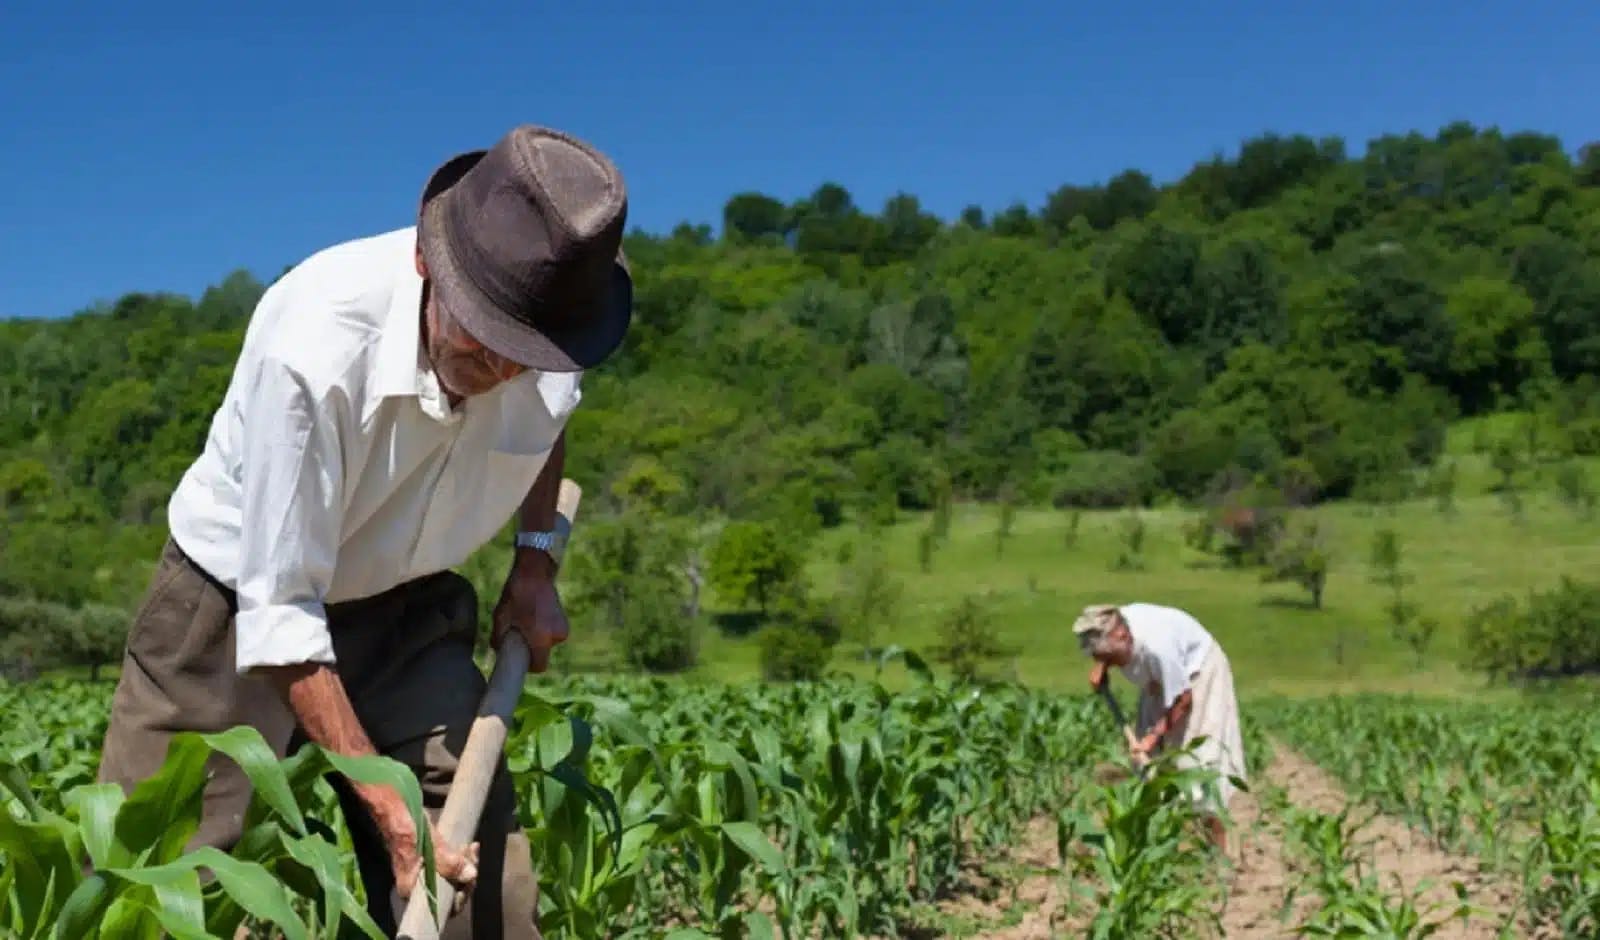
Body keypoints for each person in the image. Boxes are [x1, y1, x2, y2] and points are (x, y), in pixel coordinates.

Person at [95, 124, 634, 939]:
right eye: (483, 338)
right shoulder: (314, 350)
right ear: (427, 262)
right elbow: (280, 620)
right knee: (162, 891)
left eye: (523, 353)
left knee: (483, 895)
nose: (502, 371)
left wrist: (533, 566)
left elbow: (548, 419)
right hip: (238, 602)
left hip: (405, 599)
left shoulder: (553, 325)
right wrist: (390, 813)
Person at [1073, 602, 1246, 850]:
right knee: (1146, 766)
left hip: (1198, 675)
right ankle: (1156, 848)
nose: (1101, 659)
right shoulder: (1114, 624)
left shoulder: (1158, 648)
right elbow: (1106, 645)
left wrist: (1154, 736)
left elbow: (1183, 699)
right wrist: (1102, 666)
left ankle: (1218, 856)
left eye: (1104, 656)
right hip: (1158, 678)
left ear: (1121, 637)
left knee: (1197, 766)